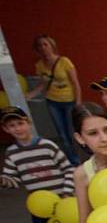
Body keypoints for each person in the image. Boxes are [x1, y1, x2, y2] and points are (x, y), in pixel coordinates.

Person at [1, 106, 75, 223]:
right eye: (12, 126)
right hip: (40, 206)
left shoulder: (47, 146)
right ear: (6, 129)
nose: (17, 128)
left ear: (28, 123)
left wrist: (67, 192)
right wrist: (4, 180)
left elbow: (68, 169)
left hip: (63, 199)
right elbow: (12, 179)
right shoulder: (12, 153)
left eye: (20, 123)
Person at [25, 35, 81, 165]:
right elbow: (43, 84)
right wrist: (30, 94)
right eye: (40, 45)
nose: (43, 48)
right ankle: (73, 160)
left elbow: (75, 83)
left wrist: (78, 103)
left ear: (52, 46)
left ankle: (80, 154)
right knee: (62, 133)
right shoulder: (39, 65)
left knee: (71, 132)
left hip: (69, 100)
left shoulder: (64, 61)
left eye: (46, 44)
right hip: (52, 101)